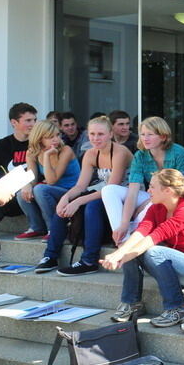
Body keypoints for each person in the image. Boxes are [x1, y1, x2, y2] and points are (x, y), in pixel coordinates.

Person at [101, 169, 184, 327]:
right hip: (174, 267)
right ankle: (132, 303)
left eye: (152, 187)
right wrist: (119, 253)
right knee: (132, 247)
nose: (148, 191)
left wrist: (120, 257)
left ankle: (178, 309)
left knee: (152, 250)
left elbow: (155, 236)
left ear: (168, 190)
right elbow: (142, 232)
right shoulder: (156, 208)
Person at [34, 116, 133, 275]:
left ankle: (89, 260)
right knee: (66, 204)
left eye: (100, 134)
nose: (95, 138)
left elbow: (111, 188)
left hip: (126, 195)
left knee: (92, 204)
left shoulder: (120, 152)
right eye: (92, 134)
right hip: (105, 193)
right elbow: (81, 185)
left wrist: (78, 201)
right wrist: (66, 198)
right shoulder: (91, 153)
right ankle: (50, 256)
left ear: (110, 134)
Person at [102, 116, 184, 246]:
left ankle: (133, 237)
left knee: (152, 205)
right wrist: (124, 223)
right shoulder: (140, 155)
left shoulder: (178, 152)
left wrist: (147, 202)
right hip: (151, 195)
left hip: (172, 197)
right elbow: (132, 192)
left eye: (150, 134)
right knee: (109, 190)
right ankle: (123, 239)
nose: (145, 138)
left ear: (163, 136)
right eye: (143, 134)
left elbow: (179, 188)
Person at [21, 122, 80, 254]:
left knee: (40, 190)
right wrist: (26, 185)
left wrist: (47, 156)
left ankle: (54, 230)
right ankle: (37, 227)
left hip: (71, 192)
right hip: (53, 190)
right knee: (22, 192)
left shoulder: (66, 151)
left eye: (57, 135)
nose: (55, 139)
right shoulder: (32, 152)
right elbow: (32, 177)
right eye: (49, 136)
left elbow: (53, 180)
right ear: (39, 138)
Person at [0, 103, 37, 231]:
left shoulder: (39, 143)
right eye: (28, 120)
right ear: (14, 122)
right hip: (6, 190)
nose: (33, 124)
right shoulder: (2, 145)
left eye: (35, 120)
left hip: (30, 191)